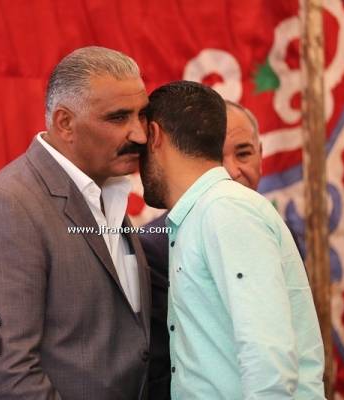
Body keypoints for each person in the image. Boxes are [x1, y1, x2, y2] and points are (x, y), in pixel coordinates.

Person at [0, 46, 151, 400]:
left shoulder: (107, 191)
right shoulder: (5, 206)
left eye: (142, 115)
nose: (140, 135)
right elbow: (6, 373)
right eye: (119, 118)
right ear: (65, 123)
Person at [139, 81, 324, 399]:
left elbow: (268, 357)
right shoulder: (203, 213)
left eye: (140, 145)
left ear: (154, 136)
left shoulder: (225, 210)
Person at [140, 99, 263, 399]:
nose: (231, 171)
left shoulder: (277, 231)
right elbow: (161, 368)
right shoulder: (157, 246)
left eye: (243, 153)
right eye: (216, 158)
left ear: (261, 154)